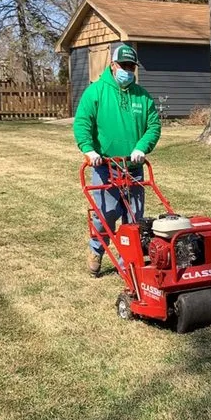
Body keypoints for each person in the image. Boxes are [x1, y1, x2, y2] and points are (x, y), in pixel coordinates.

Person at [73, 43, 161, 276]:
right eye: (123, 65)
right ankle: (96, 250)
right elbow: (82, 122)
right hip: (105, 166)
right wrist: (89, 150)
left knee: (134, 218)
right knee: (106, 215)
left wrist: (142, 146)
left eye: (131, 66)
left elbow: (153, 126)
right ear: (112, 65)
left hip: (133, 168)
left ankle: (128, 263)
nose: (128, 70)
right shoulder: (96, 92)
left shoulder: (142, 97)